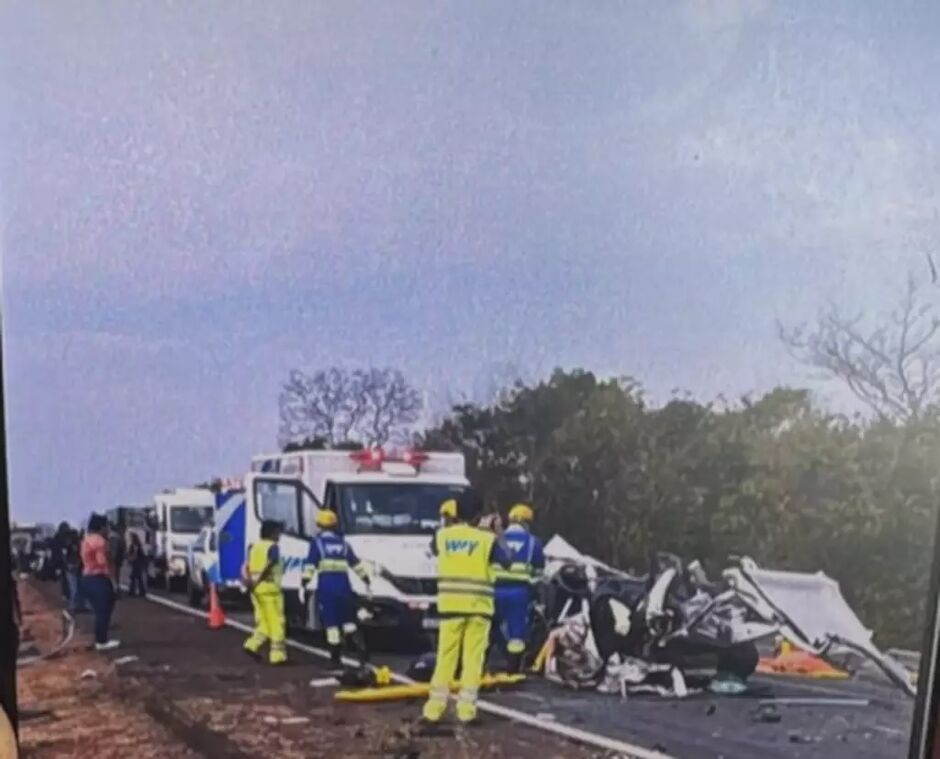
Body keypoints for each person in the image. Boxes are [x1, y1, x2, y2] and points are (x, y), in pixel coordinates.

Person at [422, 489, 512, 726]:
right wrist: (496, 531)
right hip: (479, 609)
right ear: (479, 514)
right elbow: (508, 560)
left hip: (450, 607)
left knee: (445, 659)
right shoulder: (487, 540)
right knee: (473, 660)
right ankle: (466, 711)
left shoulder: (442, 536)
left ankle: (433, 710)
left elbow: (432, 550)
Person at [301, 509, 371, 670]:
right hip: (345, 588)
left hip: (327, 589)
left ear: (319, 525)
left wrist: (304, 582)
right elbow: (356, 564)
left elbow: (310, 565)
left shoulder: (317, 543)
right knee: (348, 621)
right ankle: (361, 649)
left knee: (331, 625)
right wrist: (366, 579)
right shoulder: (344, 544)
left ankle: (335, 659)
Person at [491, 503, 546, 672]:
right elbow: (539, 571)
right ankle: (512, 667)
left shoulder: (496, 539)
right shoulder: (533, 542)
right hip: (519, 592)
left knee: (490, 626)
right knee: (517, 633)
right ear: (526, 523)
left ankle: (481, 663)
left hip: (493, 590)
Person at [242, 520, 287, 665]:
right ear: (272, 533)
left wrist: (249, 582)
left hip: (256, 590)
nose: (279, 535)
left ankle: (252, 645)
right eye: (278, 532)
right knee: (277, 622)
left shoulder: (254, 547)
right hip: (270, 589)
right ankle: (277, 655)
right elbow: (271, 563)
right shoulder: (273, 547)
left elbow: (246, 566)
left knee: (264, 623)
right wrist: (260, 578)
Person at [80, 514, 120, 651]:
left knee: (100, 610)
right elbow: (103, 562)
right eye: (106, 526)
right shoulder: (101, 542)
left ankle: (100, 639)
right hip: (99, 578)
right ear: (101, 527)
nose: (107, 529)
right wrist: (114, 582)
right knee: (104, 610)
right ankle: (101, 641)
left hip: (87, 577)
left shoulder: (86, 540)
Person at [64, 528, 87, 613]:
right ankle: (73, 606)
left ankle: (81, 606)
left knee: (80, 588)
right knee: (75, 588)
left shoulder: (78, 544)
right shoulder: (69, 545)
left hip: (78, 567)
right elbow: (65, 557)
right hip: (71, 568)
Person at [51, 522, 72, 603]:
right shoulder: (62, 538)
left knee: (64, 579)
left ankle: (66, 594)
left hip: (60, 561)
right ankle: (66, 594)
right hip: (62, 561)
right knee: (65, 579)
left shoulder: (56, 537)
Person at [127, 533, 148, 597]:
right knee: (138, 578)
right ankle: (141, 591)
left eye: (131, 538)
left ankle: (133, 591)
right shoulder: (133, 546)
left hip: (137, 563)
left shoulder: (137, 546)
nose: (131, 539)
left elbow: (141, 556)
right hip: (135, 563)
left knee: (134, 577)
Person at [108, 523, 126, 591]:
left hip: (114, 559)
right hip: (118, 559)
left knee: (113, 575)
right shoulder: (118, 536)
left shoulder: (112, 536)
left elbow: (113, 549)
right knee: (116, 575)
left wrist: (112, 558)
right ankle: (116, 588)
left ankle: (115, 589)